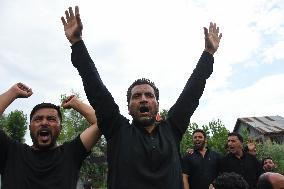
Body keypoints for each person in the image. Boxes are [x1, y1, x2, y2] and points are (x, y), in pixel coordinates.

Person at [61, 6, 222, 189]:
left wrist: (208, 54)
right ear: (128, 106)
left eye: (149, 95)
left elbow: (191, 93)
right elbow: (95, 88)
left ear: (157, 104)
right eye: (136, 96)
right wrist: (77, 43)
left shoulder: (172, 129)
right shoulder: (117, 131)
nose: (143, 99)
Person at [0, 83, 101, 189]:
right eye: (38, 119)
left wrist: (75, 103)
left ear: (60, 128)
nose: (44, 123)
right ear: (29, 127)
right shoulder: (11, 152)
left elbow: (101, 122)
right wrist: (13, 92)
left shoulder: (71, 153)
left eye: (51, 119)